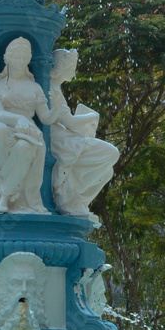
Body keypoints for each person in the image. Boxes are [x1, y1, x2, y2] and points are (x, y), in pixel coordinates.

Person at [0, 37, 59, 214]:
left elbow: (46, 118)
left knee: (24, 148)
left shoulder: (34, 88)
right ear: (7, 58)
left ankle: (4, 196)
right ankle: (2, 174)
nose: (21, 60)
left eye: (25, 57)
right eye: (17, 56)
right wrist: (18, 119)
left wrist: (56, 107)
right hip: (6, 128)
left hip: (28, 133)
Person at [49, 48, 119, 223]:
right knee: (111, 153)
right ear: (62, 67)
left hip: (64, 135)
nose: (74, 70)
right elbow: (70, 122)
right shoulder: (51, 89)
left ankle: (75, 200)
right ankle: (67, 198)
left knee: (108, 172)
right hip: (57, 139)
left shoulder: (55, 88)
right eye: (72, 66)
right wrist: (92, 117)